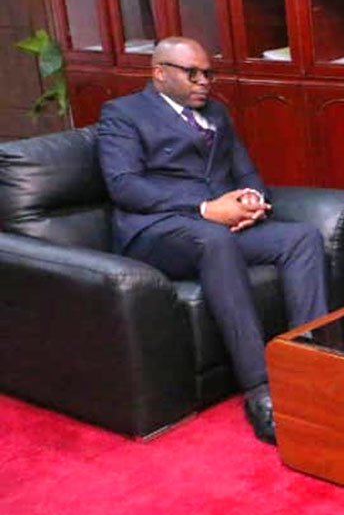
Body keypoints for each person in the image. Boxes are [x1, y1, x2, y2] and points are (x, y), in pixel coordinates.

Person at [97, 37, 327, 444]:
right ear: (159, 73)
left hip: (218, 228)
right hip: (157, 232)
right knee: (213, 239)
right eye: (192, 74)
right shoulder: (123, 114)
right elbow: (125, 186)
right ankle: (260, 390)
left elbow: (245, 171)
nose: (203, 82)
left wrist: (252, 200)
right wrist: (205, 208)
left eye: (208, 73)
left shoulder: (217, 113)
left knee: (302, 237)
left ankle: (310, 365)